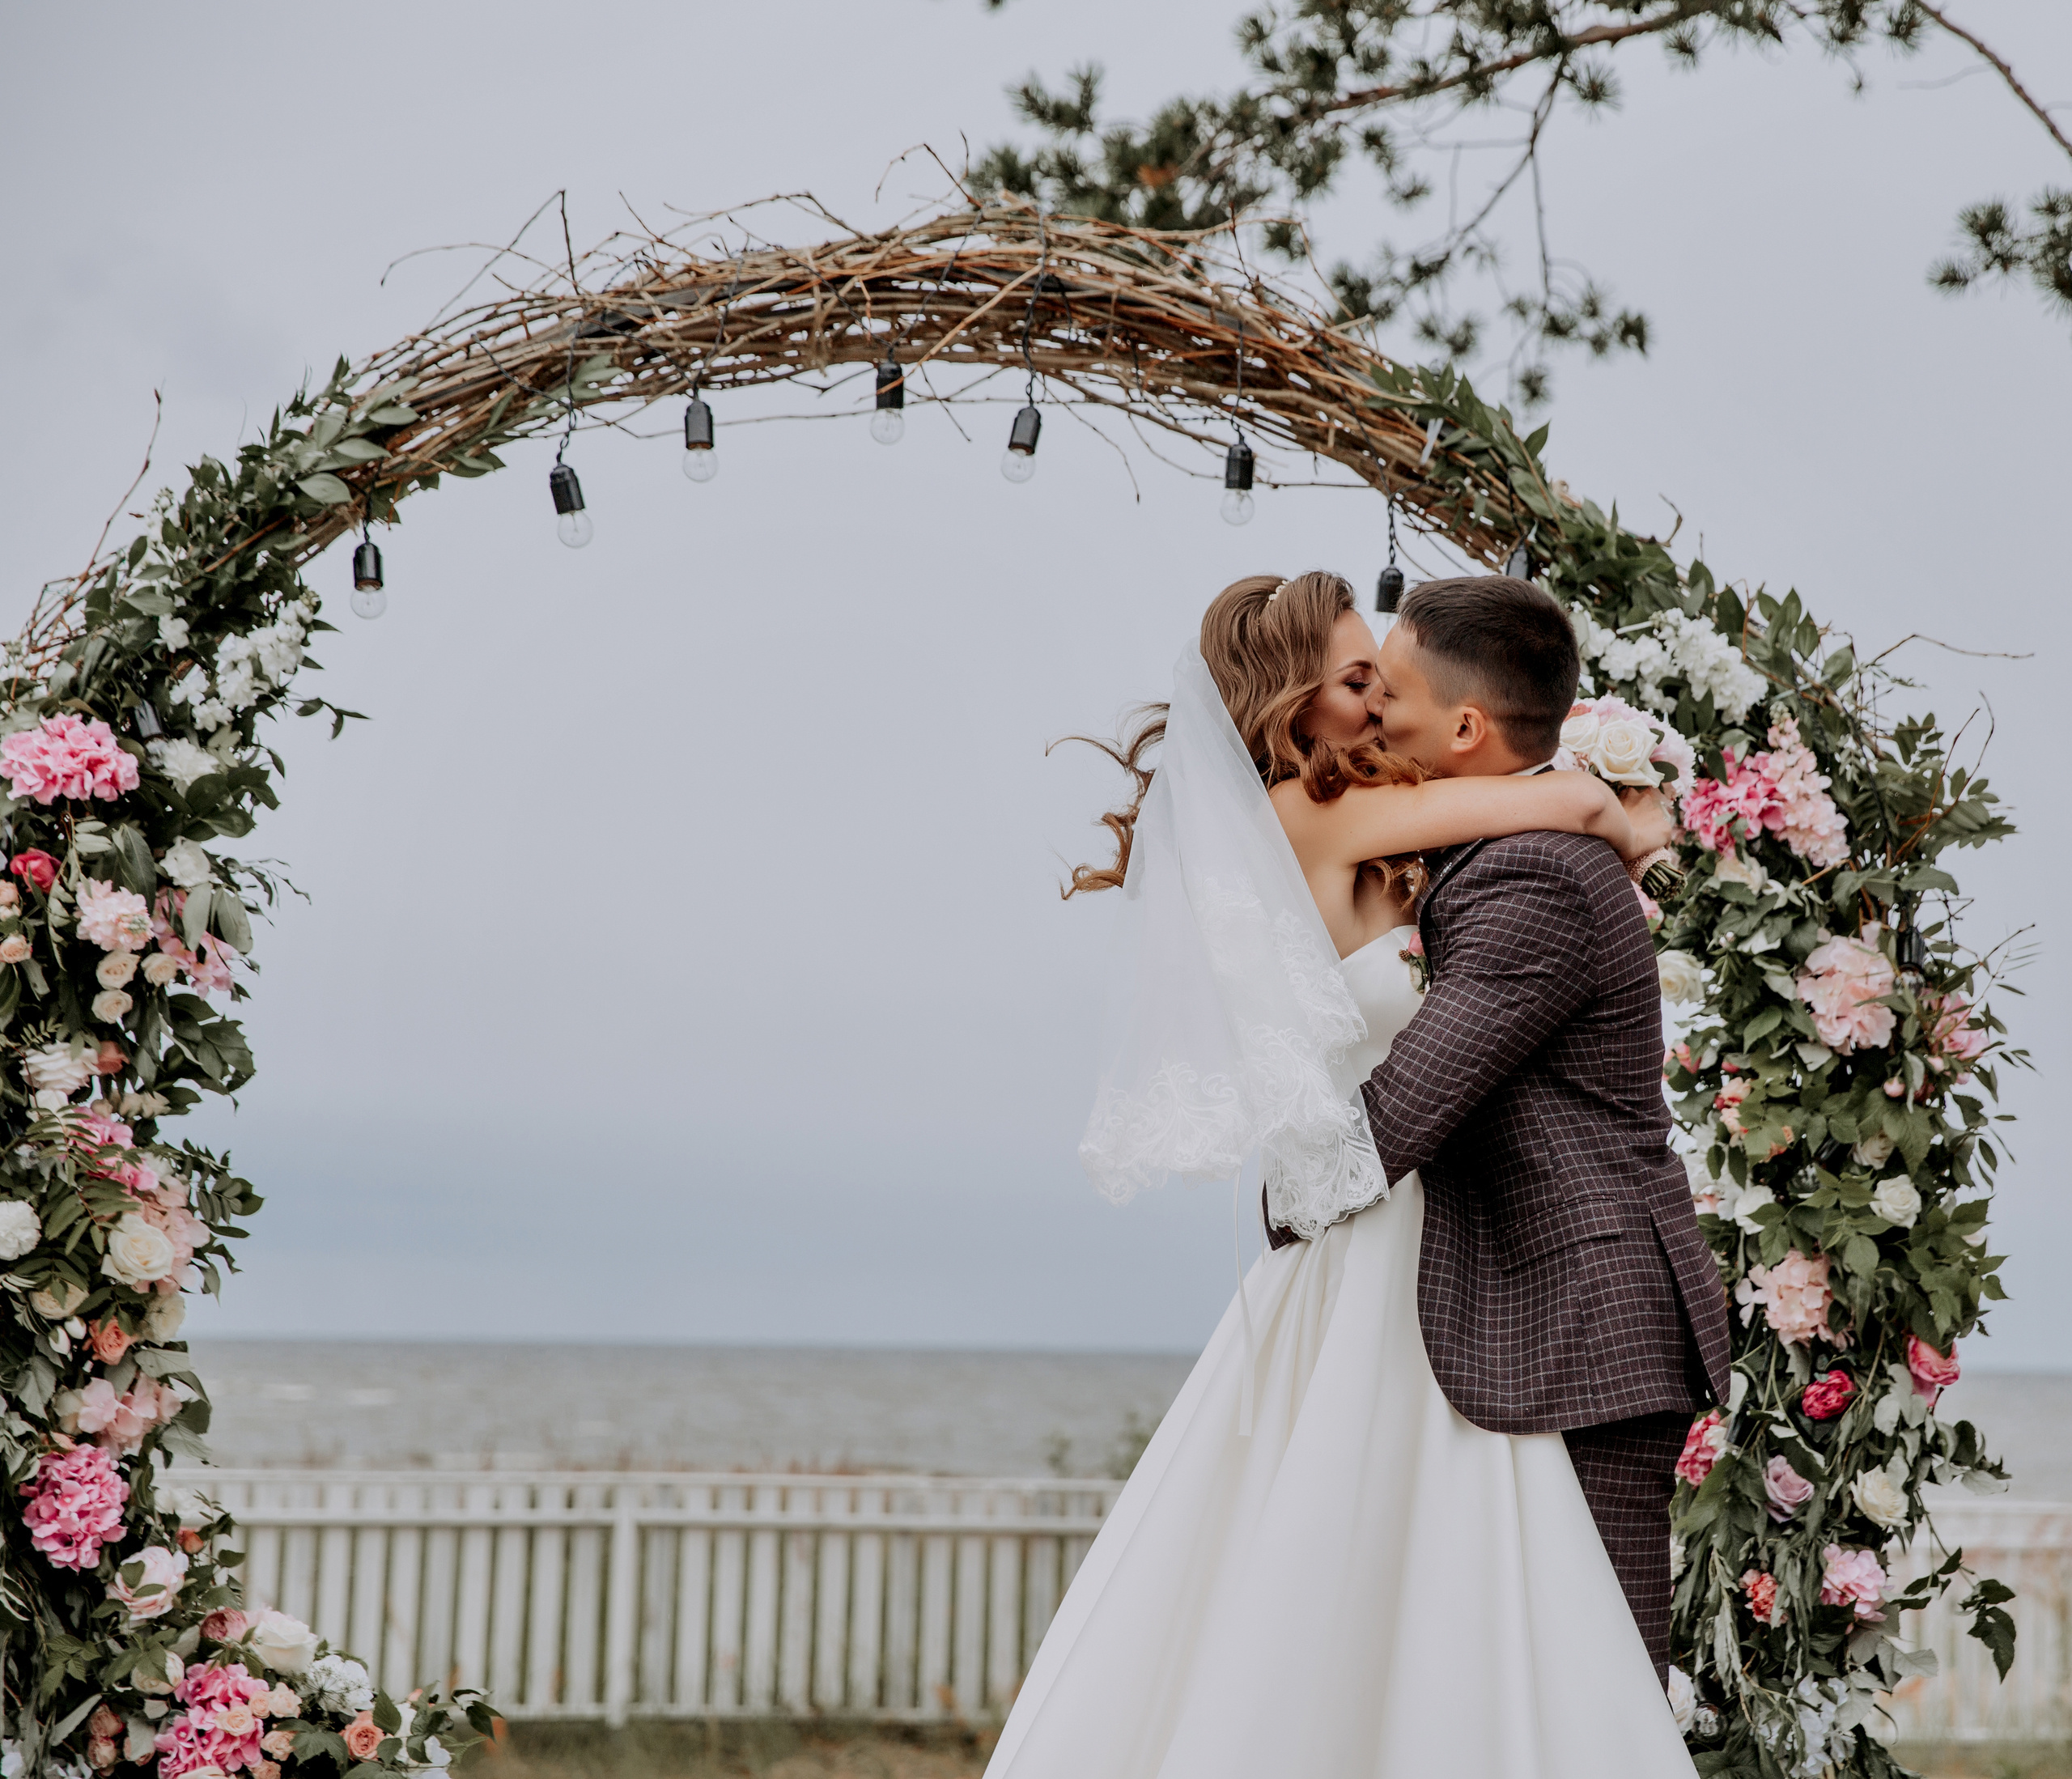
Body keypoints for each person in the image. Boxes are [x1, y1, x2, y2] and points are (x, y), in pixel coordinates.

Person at [985, 570, 1707, 1779]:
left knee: (1420, 1568)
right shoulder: (1305, 818)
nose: (1378, 706)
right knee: (1335, 1557)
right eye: (1358, 680)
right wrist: (1628, 822)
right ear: (1292, 704)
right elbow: (1570, 802)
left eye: (1389, 679)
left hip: (1423, 1231)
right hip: (1370, 1221)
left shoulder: (1395, 828)